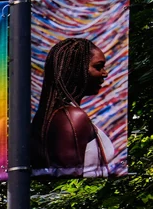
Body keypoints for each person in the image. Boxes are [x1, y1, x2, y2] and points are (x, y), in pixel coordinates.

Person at [32, 37, 117, 177]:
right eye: (98, 66)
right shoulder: (72, 117)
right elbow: (69, 182)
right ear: (75, 68)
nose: (105, 73)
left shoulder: (55, 115)